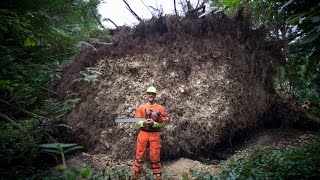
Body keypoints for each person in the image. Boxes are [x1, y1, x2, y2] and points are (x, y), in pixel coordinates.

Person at [132, 86, 170, 180]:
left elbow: (163, 123)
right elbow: (137, 121)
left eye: (152, 94)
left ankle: (157, 176)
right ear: (147, 94)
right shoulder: (141, 108)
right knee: (140, 153)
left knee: (155, 155)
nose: (151, 95)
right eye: (149, 93)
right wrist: (143, 122)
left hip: (155, 134)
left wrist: (154, 124)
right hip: (143, 133)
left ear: (155, 95)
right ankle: (136, 175)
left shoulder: (160, 108)